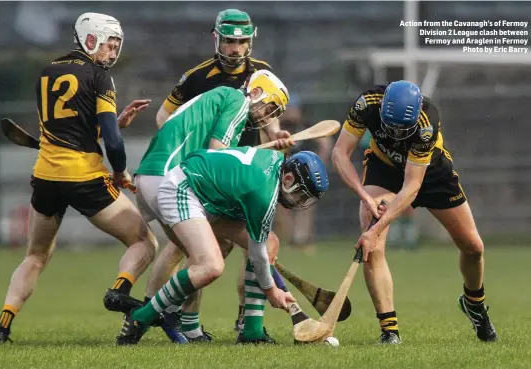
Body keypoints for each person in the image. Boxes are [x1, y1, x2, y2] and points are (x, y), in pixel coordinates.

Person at [0, 12, 157, 345]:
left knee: (35, 256)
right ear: (90, 39)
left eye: (116, 46)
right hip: (85, 177)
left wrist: (115, 121)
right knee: (145, 242)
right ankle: (119, 292)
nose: (112, 53)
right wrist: (120, 170)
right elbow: (112, 141)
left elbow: (69, 126)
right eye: (108, 45)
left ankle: (2, 327)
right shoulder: (99, 78)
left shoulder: (47, 73)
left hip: (46, 177)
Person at [136, 8, 293, 342]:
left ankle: (232, 321)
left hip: (239, 174)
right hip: (202, 172)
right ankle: (157, 310)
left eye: (242, 41)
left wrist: (275, 139)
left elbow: (269, 123)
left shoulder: (262, 74)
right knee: (200, 251)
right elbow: (165, 117)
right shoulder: (197, 77)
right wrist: (191, 149)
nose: (236, 48)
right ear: (216, 39)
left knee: (230, 248)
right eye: (229, 41)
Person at [331, 80, 497, 344]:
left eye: (402, 131)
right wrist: (365, 198)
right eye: (390, 128)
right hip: (383, 168)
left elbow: (412, 186)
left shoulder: (426, 121)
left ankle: (474, 304)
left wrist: (376, 228)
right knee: (372, 248)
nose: (396, 135)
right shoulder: (367, 104)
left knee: (473, 247)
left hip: (429, 173)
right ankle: (390, 331)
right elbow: (340, 153)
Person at [117, 147, 329, 346]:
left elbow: (260, 250)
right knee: (211, 266)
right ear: (289, 179)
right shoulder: (263, 192)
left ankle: (251, 331)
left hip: (211, 197)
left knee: (269, 243)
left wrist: (270, 285)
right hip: (183, 189)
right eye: (301, 194)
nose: (300, 201)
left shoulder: (276, 164)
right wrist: (272, 290)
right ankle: (141, 317)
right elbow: (256, 254)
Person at [273, 95, 333, 250]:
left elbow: (325, 143)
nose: (292, 112)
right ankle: (290, 240)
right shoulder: (277, 126)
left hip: (305, 173)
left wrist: (318, 163)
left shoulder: (306, 125)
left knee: (306, 206)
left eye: (294, 109)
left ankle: (302, 240)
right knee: (282, 207)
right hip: (283, 174)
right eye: (289, 109)